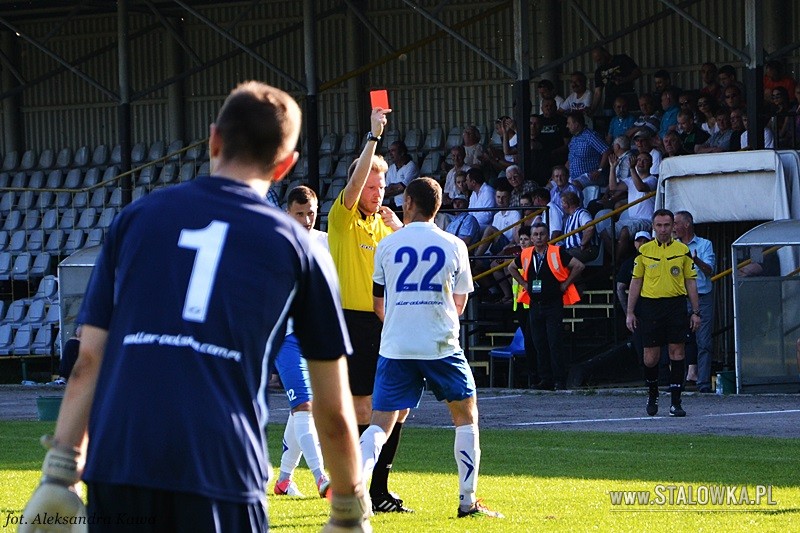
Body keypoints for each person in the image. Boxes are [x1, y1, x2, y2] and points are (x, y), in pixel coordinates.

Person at [21, 81, 370, 532]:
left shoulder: (137, 218)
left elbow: (88, 361)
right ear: (285, 166)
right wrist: (347, 504)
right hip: (221, 466)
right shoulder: (300, 249)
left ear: (213, 140)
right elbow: (332, 405)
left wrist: (60, 470)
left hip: (123, 460)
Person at [362, 177, 503, 519]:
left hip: (396, 344)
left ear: (408, 203)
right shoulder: (454, 244)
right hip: (440, 343)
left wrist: (401, 321)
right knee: (466, 416)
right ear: (437, 207)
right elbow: (459, 303)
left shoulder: (388, 245)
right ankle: (467, 502)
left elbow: (378, 304)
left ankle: (352, 494)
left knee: (380, 423)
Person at [328, 107, 410, 514]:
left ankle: (379, 488)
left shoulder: (387, 225)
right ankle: (359, 488)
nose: (377, 193)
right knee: (365, 408)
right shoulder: (342, 219)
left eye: (382, 187)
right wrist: (374, 137)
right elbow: (357, 181)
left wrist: (400, 231)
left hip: (388, 323)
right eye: (371, 186)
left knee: (398, 408)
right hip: (355, 322)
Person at [273, 185, 333, 498]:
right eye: (300, 214)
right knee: (304, 406)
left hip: (316, 334)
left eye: (311, 213)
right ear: (288, 213)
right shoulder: (276, 244)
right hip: (286, 337)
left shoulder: (325, 241)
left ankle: (283, 479)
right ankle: (323, 479)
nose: (307, 219)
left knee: (304, 409)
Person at [626, 209, 701, 418]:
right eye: (659, 225)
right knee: (651, 357)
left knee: (677, 352)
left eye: (667, 225)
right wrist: (630, 312)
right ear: (653, 227)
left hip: (675, 305)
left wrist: (696, 312)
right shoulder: (644, 251)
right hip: (650, 306)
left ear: (673, 226)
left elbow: (690, 281)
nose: (663, 229)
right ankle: (652, 394)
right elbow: (636, 281)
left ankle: (676, 401)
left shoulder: (682, 250)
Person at [507, 222, 584, 391]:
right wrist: (524, 284)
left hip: (553, 303)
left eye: (542, 234)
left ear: (547, 236)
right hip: (535, 303)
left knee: (554, 342)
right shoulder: (527, 254)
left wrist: (565, 284)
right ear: (532, 237)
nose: (539, 237)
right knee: (538, 342)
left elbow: (579, 265)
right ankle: (544, 379)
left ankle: (559, 379)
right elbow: (511, 267)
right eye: (535, 234)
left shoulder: (556, 252)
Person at [674, 210, 715, 394]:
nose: (673, 227)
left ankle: (703, 382)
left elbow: (709, 270)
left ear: (687, 225)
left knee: (704, 340)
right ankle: (677, 381)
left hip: (702, 296)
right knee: (677, 339)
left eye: (676, 223)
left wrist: (695, 259)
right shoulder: (672, 246)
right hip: (679, 297)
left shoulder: (705, 244)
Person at [591, 46, 642, 115]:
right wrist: (592, 110)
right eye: (596, 61)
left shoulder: (622, 59)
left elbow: (637, 72)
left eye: (599, 59)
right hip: (610, 104)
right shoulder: (599, 70)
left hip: (626, 102)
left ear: (605, 53)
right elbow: (597, 92)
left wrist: (624, 80)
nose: (599, 63)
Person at [560, 191, 598, 263]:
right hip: (570, 250)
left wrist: (583, 243)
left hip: (584, 250)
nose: (562, 206)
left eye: (563, 203)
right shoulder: (569, 217)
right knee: (554, 257)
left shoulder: (582, 213)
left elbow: (590, 227)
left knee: (563, 258)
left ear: (567, 204)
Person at [384, 140, 419, 209]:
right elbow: (385, 189)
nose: (390, 154)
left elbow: (403, 188)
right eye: (389, 151)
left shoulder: (411, 166)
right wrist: (396, 187)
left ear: (402, 152)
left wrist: (392, 187)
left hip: (410, 207)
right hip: (395, 205)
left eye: (393, 150)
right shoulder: (391, 168)